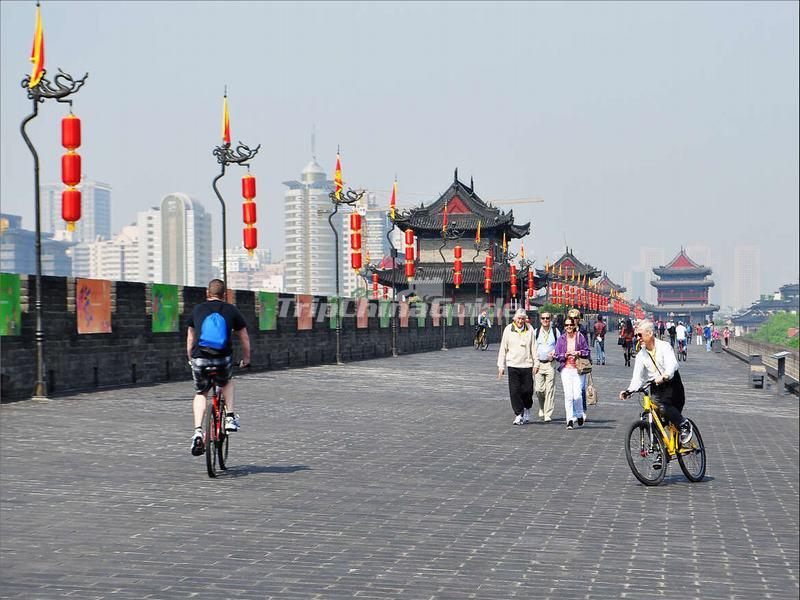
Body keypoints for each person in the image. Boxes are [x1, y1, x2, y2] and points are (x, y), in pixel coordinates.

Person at [187, 279, 251, 456]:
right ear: (225, 295)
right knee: (227, 382)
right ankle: (230, 417)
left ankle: (198, 431)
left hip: (200, 359)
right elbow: (244, 337)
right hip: (222, 359)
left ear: (208, 293)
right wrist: (246, 359)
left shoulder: (198, 309)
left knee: (201, 393)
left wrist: (190, 358)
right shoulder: (231, 310)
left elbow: (190, 338)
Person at [619, 319, 694, 451]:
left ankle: (684, 425)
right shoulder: (641, 355)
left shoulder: (664, 346)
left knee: (664, 408)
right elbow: (637, 377)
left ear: (650, 333)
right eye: (636, 335)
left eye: (640, 335)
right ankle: (660, 450)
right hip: (656, 387)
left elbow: (673, 364)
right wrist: (629, 391)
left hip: (672, 385)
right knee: (648, 418)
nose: (637, 338)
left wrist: (665, 375)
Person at [497, 308, 535, 425]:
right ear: (514, 318)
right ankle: (518, 414)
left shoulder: (530, 329)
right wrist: (501, 365)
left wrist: (536, 363)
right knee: (514, 391)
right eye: (518, 318)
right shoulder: (508, 329)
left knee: (527, 390)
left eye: (523, 319)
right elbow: (503, 348)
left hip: (527, 364)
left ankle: (527, 407)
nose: (520, 321)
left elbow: (534, 347)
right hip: (513, 364)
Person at [554, 317, 590, 430]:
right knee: (568, 395)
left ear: (574, 325)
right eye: (566, 325)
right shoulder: (561, 339)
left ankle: (579, 414)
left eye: (570, 325)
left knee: (578, 395)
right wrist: (564, 355)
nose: (568, 327)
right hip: (566, 369)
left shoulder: (579, 337)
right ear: (564, 327)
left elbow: (587, 351)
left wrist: (578, 352)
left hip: (577, 369)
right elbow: (557, 355)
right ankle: (569, 420)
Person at [533, 310, 560, 422]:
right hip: (539, 363)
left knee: (550, 390)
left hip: (550, 364)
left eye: (547, 318)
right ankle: (541, 407)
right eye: (543, 318)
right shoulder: (536, 332)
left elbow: (560, 346)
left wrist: (554, 353)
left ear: (550, 319)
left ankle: (548, 413)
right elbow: (532, 347)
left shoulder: (555, 331)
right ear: (540, 320)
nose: (545, 320)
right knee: (539, 389)